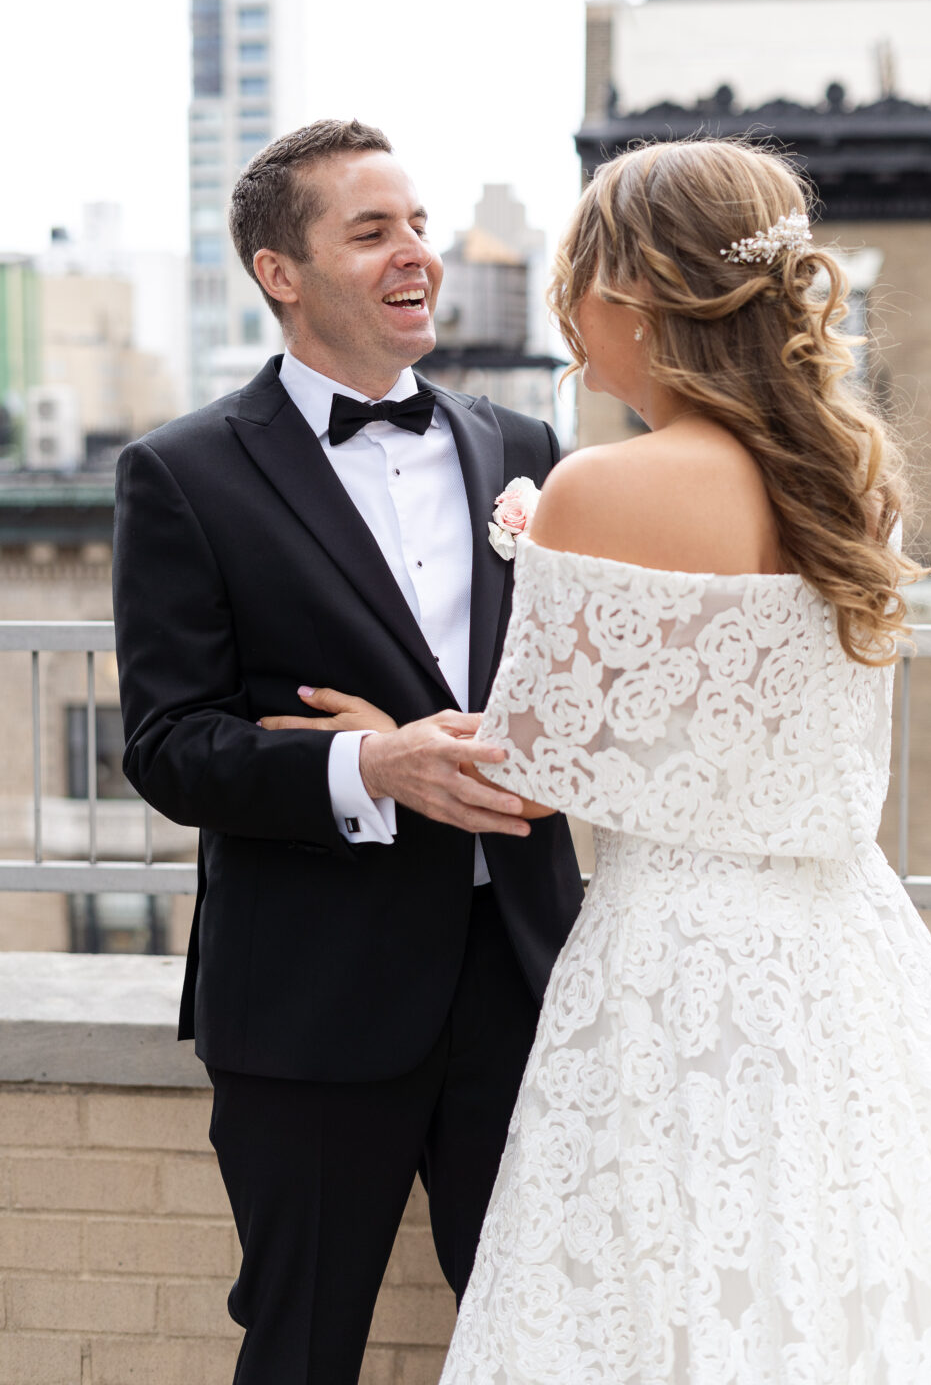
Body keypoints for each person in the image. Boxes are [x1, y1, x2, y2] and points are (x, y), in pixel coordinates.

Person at [429, 139, 931, 1381]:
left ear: (631, 297)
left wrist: (385, 737)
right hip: (846, 946)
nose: (568, 316)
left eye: (579, 281)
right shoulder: (850, 475)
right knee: (848, 1273)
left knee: (666, 1275)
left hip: (673, 953)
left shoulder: (596, 486)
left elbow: (527, 771)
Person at [111, 118, 583, 1385]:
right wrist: (367, 771)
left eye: (417, 224)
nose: (413, 252)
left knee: (541, 1336)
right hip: (313, 999)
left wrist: (472, 746)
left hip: (523, 976)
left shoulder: (521, 451)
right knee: (300, 1346)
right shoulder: (181, 473)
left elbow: (573, 690)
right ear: (282, 272)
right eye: (371, 231)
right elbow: (166, 745)